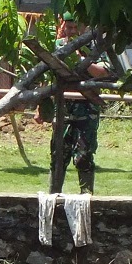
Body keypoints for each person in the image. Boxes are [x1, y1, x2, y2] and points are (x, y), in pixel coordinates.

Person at [48, 17, 114, 194]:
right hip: (63, 107)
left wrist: (80, 58)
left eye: (76, 27)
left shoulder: (95, 46)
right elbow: (47, 76)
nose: (72, 31)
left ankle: (86, 198)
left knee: (83, 157)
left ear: (84, 27)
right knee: (58, 155)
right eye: (69, 27)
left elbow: (104, 72)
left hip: (87, 109)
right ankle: (53, 197)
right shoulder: (58, 46)